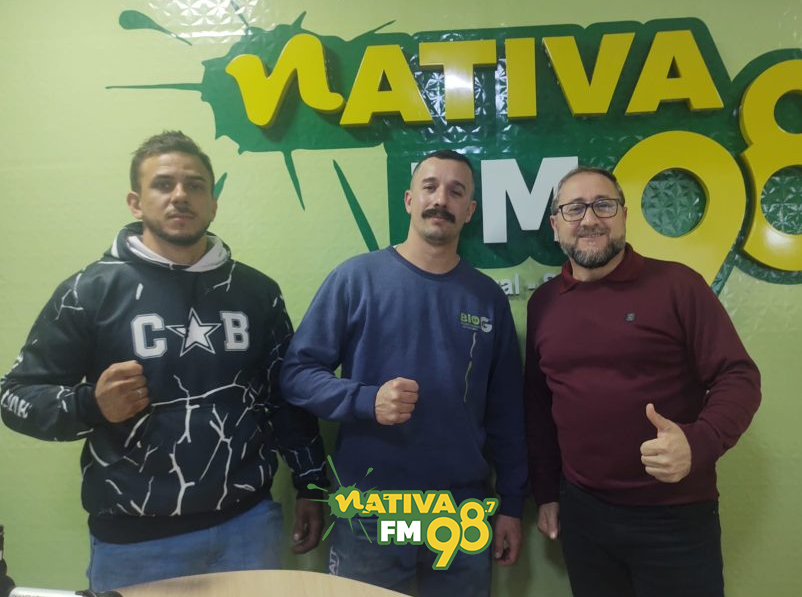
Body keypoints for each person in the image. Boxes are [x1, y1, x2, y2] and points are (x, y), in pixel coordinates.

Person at [0, 131, 328, 591]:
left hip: (248, 527)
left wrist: (311, 484)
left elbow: (286, 396)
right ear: (135, 203)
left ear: (213, 203)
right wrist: (91, 405)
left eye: (195, 185)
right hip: (134, 543)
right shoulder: (89, 291)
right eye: (163, 184)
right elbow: (13, 396)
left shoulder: (257, 292)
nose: (180, 196)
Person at [280, 150, 528, 596]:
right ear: (410, 200)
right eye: (430, 187)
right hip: (373, 511)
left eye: (456, 192)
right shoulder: (356, 279)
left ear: (469, 211)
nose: (441, 200)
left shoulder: (487, 297)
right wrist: (365, 400)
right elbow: (297, 374)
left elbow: (506, 412)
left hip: (459, 515)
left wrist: (511, 503)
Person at [524, 166, 761, 597]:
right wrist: (547, 492)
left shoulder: (678, 286)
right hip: (583, 516)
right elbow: (539, 405)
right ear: (556, 225)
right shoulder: (543, 304)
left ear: (624, 215)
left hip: (675, 518)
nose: (590, 219)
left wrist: (699, 441)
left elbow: (738, 375)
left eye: (603, 205)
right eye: (574, 209)